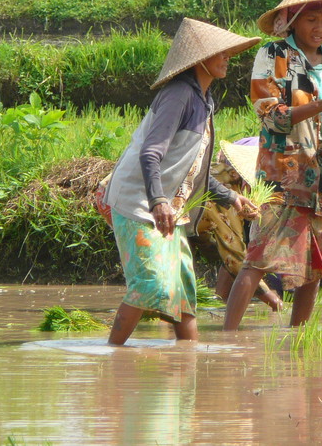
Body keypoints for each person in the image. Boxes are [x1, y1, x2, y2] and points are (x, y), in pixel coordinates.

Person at [101, 18, 260, 345]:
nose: (227, 58)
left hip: (166, 209)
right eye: (221, 53)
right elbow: (151, 153)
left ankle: (188, 360)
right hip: (138, 203)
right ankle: (110, 357)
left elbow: (194, 171)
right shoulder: (178, 95)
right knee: (151, 288)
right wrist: (158, 200)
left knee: (184, 294)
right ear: (200, 58)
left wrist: (232, 198)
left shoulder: (204, 100)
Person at [223, 0, 322, 330]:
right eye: (310, 19)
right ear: (292, 19)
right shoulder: (274, 55)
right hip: (282, 174)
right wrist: (319, 104)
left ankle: (299, 341)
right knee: (257, 258)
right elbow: (270, 114)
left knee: (315, 266)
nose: (319, 28)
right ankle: (227, 341)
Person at [195, 137, 283, 311]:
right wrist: (273, 301)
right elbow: (233, 255)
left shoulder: (222, 174)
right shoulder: (225, 187)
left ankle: (221, 303)